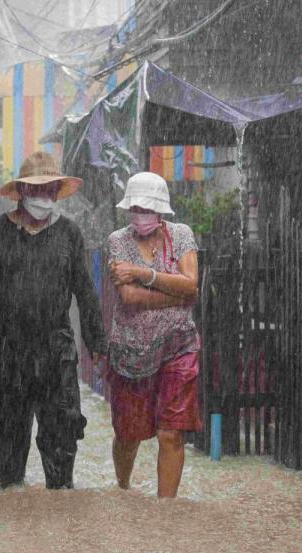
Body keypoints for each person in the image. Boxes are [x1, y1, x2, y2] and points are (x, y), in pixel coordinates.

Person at [0, 151, 107, 490]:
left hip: (57, 353)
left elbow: (85, 292)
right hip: (8, 353)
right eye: (37, 190)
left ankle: (58, 527)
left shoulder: (69, 234)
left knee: (61, 441)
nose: (44, 197)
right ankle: (15, 524)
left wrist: (97, 344)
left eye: (50, 190)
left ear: (57, 192)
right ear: (22, 191)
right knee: (10, 445)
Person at [106, 171, 201, 498]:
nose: (140, 215)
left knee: (170, 434)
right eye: (134, 208)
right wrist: (175, 293)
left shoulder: (182, 235)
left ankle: (166, 513)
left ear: (160, 211)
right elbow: (130, 299)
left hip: (178, 347)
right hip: (131, 353)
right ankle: (123, 489)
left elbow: (192, 285)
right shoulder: (118, 241)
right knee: (128, 435)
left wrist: (142, 274)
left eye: (146, 209)